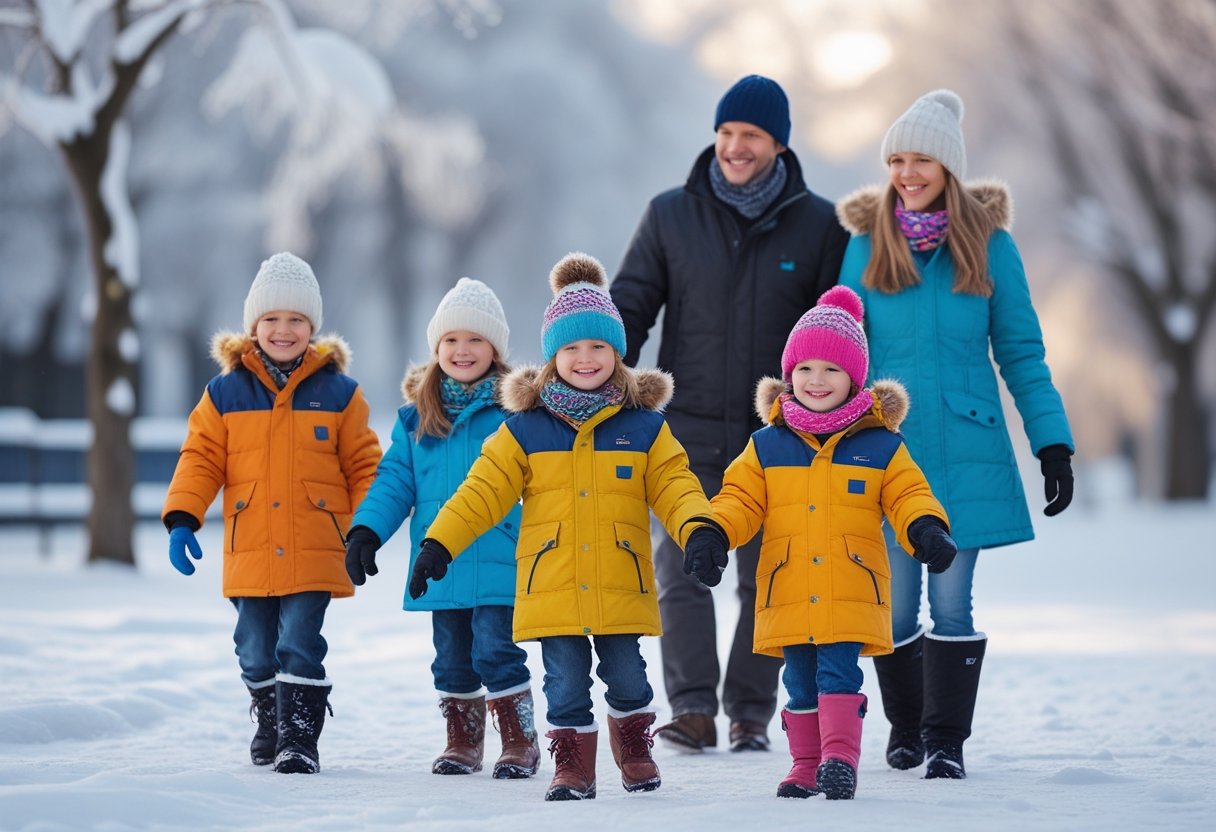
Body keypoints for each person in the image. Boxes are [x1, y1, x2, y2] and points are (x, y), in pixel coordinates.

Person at [407, 252, 730, 801]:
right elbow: (482, 492)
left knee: (628, 675)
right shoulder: (525, 429)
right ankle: (573, 767)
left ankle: (634, 749)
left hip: (619, 578)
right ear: (553, 356)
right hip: (551, 582)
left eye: (598, 346)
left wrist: (700, 529)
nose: (585, 358)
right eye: (571, 348)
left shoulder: (644, 428)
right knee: (563, 681)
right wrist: (440, 542)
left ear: (618, 353)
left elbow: (676, 485)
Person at [836, 89, 1075, 780]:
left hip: (968, 451)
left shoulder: (991, 248)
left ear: (949, 167)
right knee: (899, 602)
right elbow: (838, 352)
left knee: (951, 598)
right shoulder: (863, 246)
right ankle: (904, 730)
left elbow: (1022, 353)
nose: (908, 173)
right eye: (897, 160)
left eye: (922, 160)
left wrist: (1051, 442)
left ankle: (945, 740)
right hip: (887, 453)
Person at [610, 73, 851, 753]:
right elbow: (631, 304)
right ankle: (691, 708)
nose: (735, 148)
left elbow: (837, 329)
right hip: (684, 428)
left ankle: (750, 711)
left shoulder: (821, 224)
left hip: (783, 436)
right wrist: (594, 361)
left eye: (750, 136)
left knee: (766, 574)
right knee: (683, 565)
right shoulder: (669, 215)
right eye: (725, 134)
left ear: (778, 143)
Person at [709, 285, 956, 800]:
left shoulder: (880, 445)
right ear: (788, 375)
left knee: (839, 673)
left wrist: (924, 527)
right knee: (798, 680)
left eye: (831, 370)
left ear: (854, 378)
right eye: (804, 369)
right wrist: (713, 531)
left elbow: (908, 493)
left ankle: (840, 757)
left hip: (849, 583)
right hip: (790, 584)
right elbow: (739, 498)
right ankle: (805, 763)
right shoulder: (767, 445)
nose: (816, 380)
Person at [161, 252, 382, 774]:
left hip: (316, 545)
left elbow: (365, 465)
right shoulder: (224, 394)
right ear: (253, 326)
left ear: (313, 327)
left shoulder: (340, 394)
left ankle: (299, 738)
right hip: (251, 544)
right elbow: (200, 458)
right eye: (272, 320)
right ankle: (269, 716)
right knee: (255, 648)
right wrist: (182, 517)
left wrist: (367, 529)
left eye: (297, 320)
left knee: (300, 643)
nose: (284, 330)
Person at [342, 278, 541, 780]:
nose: (462, 349)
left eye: (475, 339)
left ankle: (519, 741)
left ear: (495, 348)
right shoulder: (415, 420)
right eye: (450, 340)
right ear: (436, 349)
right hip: (440, 565)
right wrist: (366, 530)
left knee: (496, 649)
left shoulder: (516, 414)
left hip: (501, 558)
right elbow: (393, 482)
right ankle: (462, 742)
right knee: (451, 659)